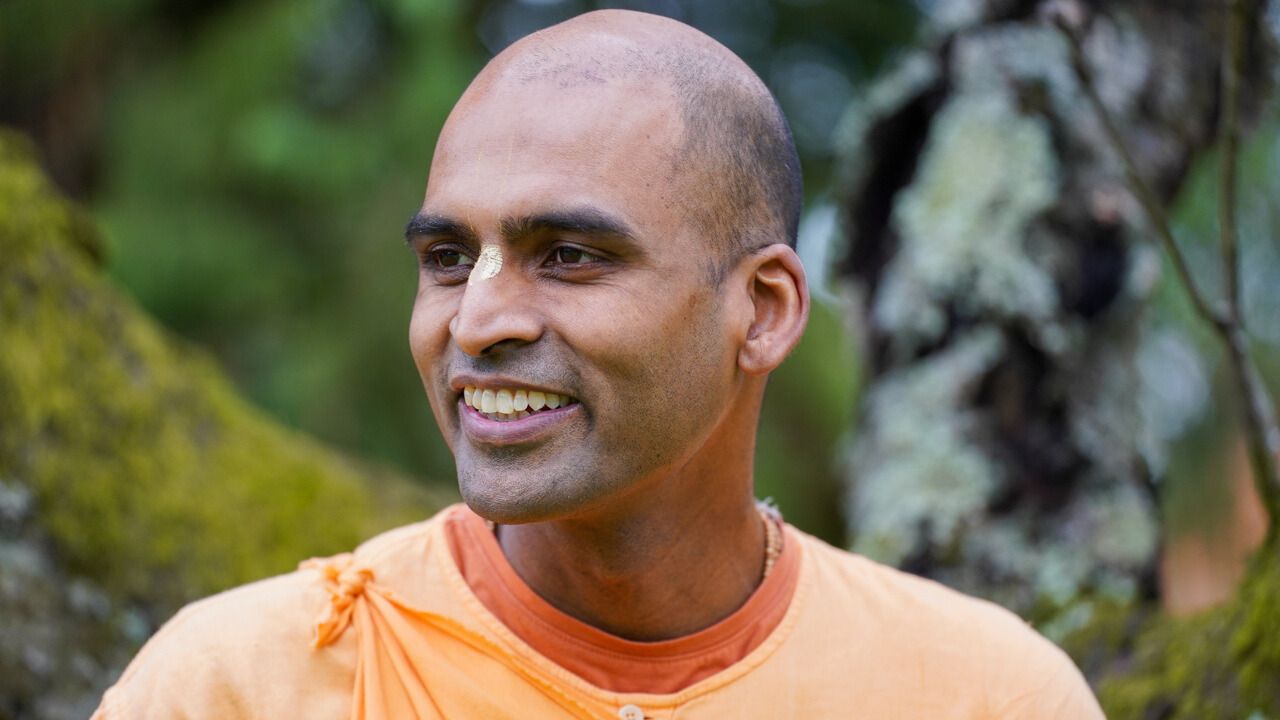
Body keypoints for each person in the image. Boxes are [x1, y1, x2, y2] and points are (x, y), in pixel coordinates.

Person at [94, 9, 1104, 719]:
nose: (477, 321)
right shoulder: (242, 687)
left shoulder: (981, 695)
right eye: (448, 259)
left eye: (569, 256)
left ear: (761, 311)